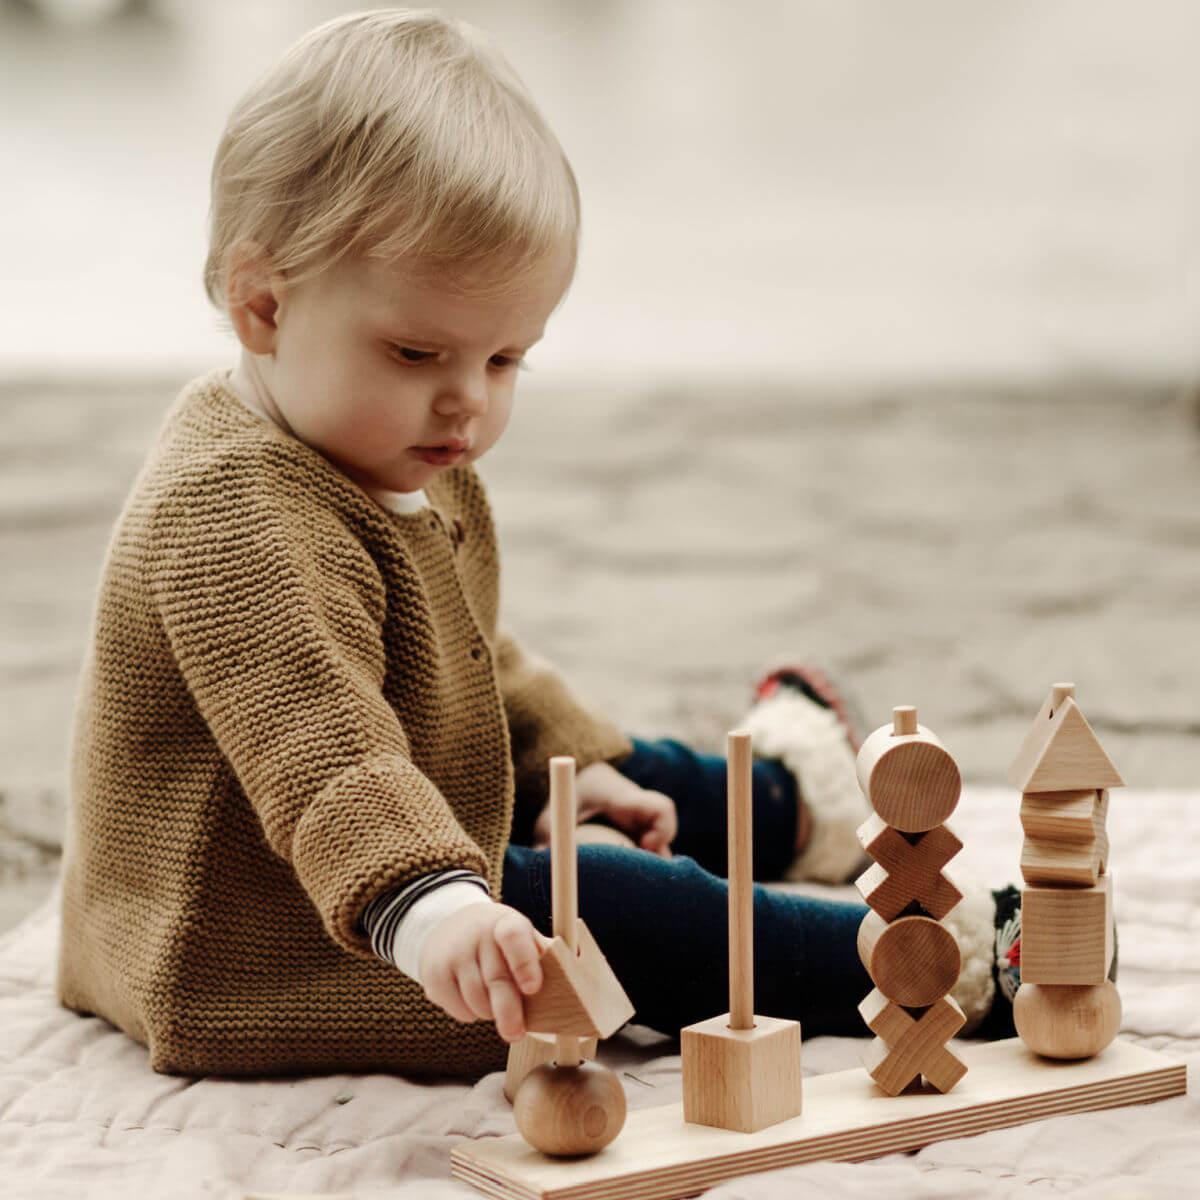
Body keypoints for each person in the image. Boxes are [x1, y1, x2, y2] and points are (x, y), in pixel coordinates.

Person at [55, 9, 1019, 1080]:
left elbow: (469, 663)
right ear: (262, 303)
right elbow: (329, 762)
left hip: (394, 836)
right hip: (264, 937)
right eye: (419, 350)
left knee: (625, 775)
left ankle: (792, 803)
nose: (465, 404)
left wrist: (579, 766)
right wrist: (437, 911)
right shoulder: (233, 515)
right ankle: (925, 963)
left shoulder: (388, 442)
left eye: (508, 358)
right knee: (609, 910)